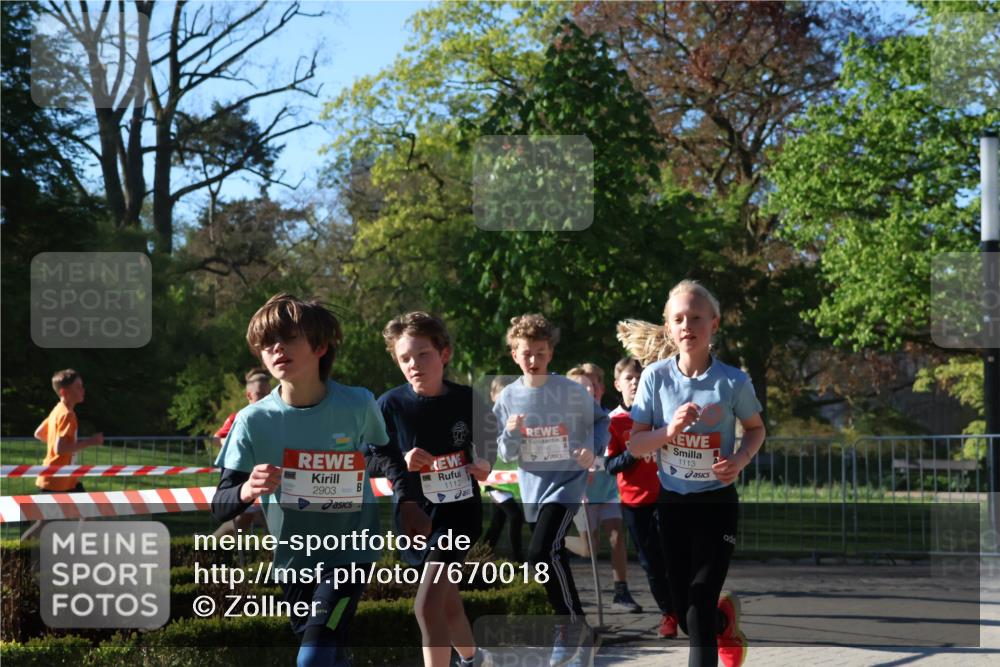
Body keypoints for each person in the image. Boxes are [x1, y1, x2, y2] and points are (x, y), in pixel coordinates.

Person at [210, 293, 428, 667]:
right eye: (267, 343)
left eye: (290, 338)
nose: (277, 348)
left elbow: (386, 458)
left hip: (350, 555)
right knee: (328, 654)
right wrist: (248, 488)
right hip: (294, 560)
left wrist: (408, 502)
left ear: (320, 346)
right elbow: (220, 505)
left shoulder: (358, 404)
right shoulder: (252, 421)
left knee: (311, 658)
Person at [626, 281, 766, 667]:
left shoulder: (732, 381)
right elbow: (636, 445)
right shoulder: (655, 378)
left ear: (714, 324)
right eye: (679, 319)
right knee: (689, 613)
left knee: (700, 598)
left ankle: (713, 618)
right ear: (668, 328)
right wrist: (668, 431)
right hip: (672, 505)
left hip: (716, 503)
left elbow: (756, 430)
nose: (687, 325)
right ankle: (725, 621)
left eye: (696, 318)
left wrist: (740, 459)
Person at [377, 311, 492, 667]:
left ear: (444, 354)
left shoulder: (467, 399)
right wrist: (401, 457)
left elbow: (490, 441)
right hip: (416, 518)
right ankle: (475, 659)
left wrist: (486, 463)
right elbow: (370, 456)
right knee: (446, 602)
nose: (414, 364)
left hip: (459, 514)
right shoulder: (389, 405)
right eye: (405, 358)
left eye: (422, 354)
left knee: (425, 606)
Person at [493, 314, 609, 667]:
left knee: (540, 553)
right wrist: (511, 433)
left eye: (540, 353)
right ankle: (580, 630)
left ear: (550, 353)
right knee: (550, 555)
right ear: (514, 354)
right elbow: (504, 452)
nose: (533, 360)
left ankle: (570, 628)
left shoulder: (569, 391)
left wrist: (592, 448)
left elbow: (600, 421)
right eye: (526, 353)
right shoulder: (509, 397)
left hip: (566, 484)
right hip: (534, 490)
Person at [604, 357, 678, 638]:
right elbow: (610, 466)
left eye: (639, 377)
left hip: (670, 494)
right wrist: (633, 452)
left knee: (677, 556)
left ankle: (689, 609)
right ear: (617, 384)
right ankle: (668, 615)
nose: (635, 383)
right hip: (636, 503)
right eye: (629, 378)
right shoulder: (613, 422)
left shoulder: (660, 414)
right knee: (652, 564)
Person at [562, 365, 642, 614]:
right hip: (582, 493)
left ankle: (621, 591)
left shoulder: (608, 419)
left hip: (607, 491)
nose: (588, 391)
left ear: (600, 389)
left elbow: (612, 454)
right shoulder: (566, 423)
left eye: (592, 386)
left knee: (617, 537)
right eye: (580, 388)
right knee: (590, 549)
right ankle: (557, 541)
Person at [21, 369, 103, 540]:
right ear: (64, 392)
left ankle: (74, 552)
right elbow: (60, 448)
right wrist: (91, 441)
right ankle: (12, 557)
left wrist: (55, 444)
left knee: (87, 513)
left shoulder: (57, 410)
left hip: (65, 478)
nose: (83, 390)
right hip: (57, 480)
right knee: (45, 525)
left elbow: (38, 433)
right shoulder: (67, 415)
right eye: (78, 387)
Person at [211, 368, 272, 538]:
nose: (265, 399)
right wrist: (237, 446)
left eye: (269, 394)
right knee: (239, 525)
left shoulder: (276, 416)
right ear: (249, 396)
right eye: (260, 395)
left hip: (268, 484)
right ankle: (202, 551)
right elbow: (217, 438)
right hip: (246, 484)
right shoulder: (239, 418)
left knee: (257, 525)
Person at [482, 376, 525, 562]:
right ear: (493, 396)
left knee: (497, 523)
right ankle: (518, 561)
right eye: (501, 396)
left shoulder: (518, 420)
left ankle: (480, 557)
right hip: (495, 483)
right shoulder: (489, 421)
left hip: (513, 482)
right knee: (516, 517)